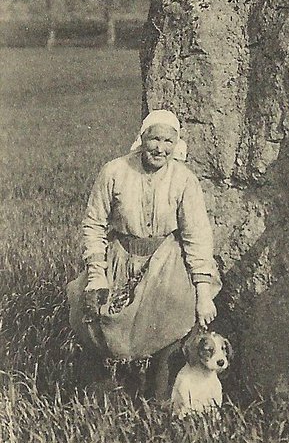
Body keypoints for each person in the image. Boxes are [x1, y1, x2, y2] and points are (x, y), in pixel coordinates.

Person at [66, 108, 221, 399]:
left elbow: (197, 235)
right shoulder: (115, 171)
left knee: (172, 320)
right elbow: (94, 223)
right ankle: (109, 393)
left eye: (168, 142)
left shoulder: (184, 179)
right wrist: (97, 274)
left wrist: (202, 292)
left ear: (176, 145)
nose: (160, 148)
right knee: (94, 318)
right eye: (155, 139)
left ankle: (157, 398)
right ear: (142, 138)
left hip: (165, 261)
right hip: (120, 257)